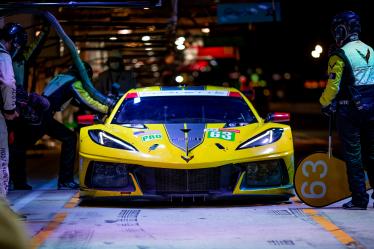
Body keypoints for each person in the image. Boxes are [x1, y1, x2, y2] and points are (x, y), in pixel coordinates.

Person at [319, 11, 374, 210]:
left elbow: (333, 86)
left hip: (349, 112)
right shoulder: (371, 50)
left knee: (354, 156)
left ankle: (359, 199)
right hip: (372, 110)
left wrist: (324, 103)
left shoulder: (339, 55)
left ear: (342, 29)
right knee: (373, 153)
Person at [40, 61, 109, 189]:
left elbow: (76, 101)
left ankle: (18, 182)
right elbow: (87, 100)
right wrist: (106, 108)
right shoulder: (74, 82)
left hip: (39, 113)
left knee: (20, 145)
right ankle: (65, 181)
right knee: (70, 138)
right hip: (42, 116)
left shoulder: (61, 77)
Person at [8, 20, 50, 190]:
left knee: (17, 146)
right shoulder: (5, 56)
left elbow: (36, 46)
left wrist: (45, 29)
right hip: (8, 106)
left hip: (15, 107)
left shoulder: (21, 59)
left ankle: (17, 180)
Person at [0, 23, 22, 199]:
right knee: (1, 160)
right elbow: (7, 82)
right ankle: (3, 211)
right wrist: (10, 110)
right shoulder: (3, 56)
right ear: (13, 42)